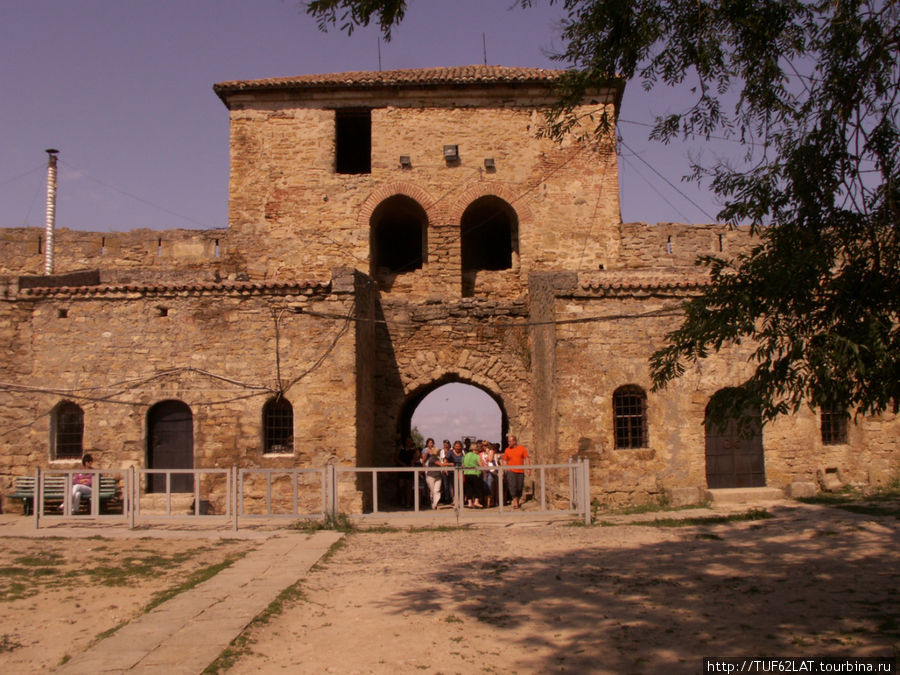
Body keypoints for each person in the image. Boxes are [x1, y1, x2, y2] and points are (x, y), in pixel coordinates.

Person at [502, 434, 530, 509]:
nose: (509, 443)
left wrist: (528, 468)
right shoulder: (507, 450)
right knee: (512, 486)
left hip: (520, 471)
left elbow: (526, 458)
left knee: (519, 487)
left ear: (514, 441)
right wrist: (504, 470)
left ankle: (517, 499)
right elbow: (505, 460)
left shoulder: (522, 448)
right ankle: (515, 502)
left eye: (510, 441)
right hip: (511, 471)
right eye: (508, 441)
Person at [462, 442, 484, 508]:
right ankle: (476, 502)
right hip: (475, 474)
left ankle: (470, 503)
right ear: (475, 449)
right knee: (477, 488)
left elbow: (462, 465)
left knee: (468, 489)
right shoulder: (476, 456)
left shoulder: (465, 456)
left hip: (466, 474)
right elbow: (481, 465)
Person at [423, 445, 444, 510]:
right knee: (432, 491)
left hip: (438, 476)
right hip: (431, 476)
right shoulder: (432, 458)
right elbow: (440, 464)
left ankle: (435, 504)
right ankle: (433, 503)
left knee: (437, 490)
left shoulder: (438, 458)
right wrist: (450, 464)